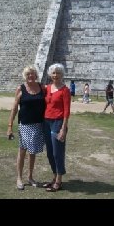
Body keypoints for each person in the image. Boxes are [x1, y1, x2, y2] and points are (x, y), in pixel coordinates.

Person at [7, 66, 46, 190]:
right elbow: (14, 109)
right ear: (25, 75)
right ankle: (19, 177)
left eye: (33, 74)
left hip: (38, 124)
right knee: (22, 151)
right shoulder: (21, 88)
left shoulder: (41, 87)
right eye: (28, 74)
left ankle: (30, 176)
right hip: (25, 125)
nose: (31, 76)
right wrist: (9, 126)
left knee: (33, 152)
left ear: (36, 75)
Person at [43, 63, 71, 192]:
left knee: (57, 152)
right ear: (50, 74)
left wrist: (63, 128)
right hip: (46, 122)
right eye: (53, 73)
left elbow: (66, 111)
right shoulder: (47, 88)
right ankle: (54, 177)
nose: (55, 75)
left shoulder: (65, 90)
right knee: (49, 153)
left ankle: (59, 180)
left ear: (62, 75)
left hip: (58, 122)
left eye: (58, 73)